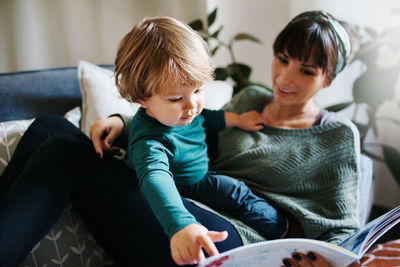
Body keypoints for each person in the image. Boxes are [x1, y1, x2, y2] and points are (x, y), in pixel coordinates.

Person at [0, 10, 360, 267]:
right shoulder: (250, 99)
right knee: (49, 127)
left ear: (328, 79)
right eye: (282, 59)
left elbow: (343, 230)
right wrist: (124, 125)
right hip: (187, 198)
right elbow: (186, 129)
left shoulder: (338, 136)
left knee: (64, 150)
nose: (285, 76)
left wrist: (325, 262)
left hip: (232, 237)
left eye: (307, 70)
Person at [113, 16, 303, 264]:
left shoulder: (188, 113)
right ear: (142, 98)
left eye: (198, 90)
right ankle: (285, 231)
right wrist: (181, 225)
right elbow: (155, 178)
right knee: (235, 192)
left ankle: (283, 228)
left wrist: (238, 119)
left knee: (241, 193)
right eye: (175, 99)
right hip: (186, 185)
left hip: (197, 173)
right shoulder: (149, 141)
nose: (192, 105)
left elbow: (209, 118)